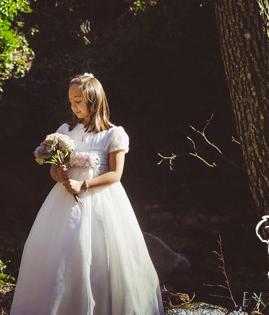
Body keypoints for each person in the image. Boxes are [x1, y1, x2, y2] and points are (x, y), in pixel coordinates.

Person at [9, 73, 166, 315]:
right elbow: (53, 170)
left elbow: (115, 174)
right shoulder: (65, 130)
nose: (73, 106)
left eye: (79, 100)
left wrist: (83, 186)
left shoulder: (113, 134)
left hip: (101, 202)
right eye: (71, 100)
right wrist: (60, 174)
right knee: (65, 253)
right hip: (64, 204)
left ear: (94, 100)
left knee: (99, 256)